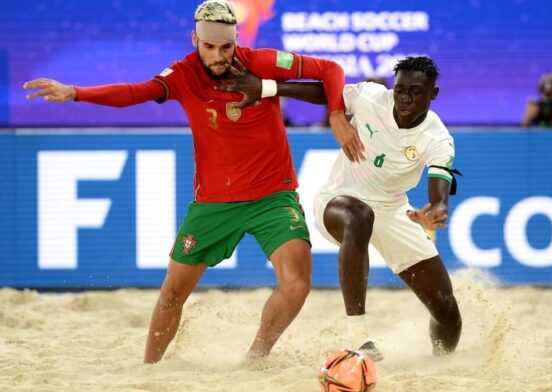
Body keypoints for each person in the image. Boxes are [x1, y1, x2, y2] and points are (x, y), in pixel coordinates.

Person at [23, 0, 365, 363]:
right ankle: (149, 369)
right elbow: (135, 93)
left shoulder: (261, 61)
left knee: (297, 284)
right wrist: (76, 92)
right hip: (214, 204)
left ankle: (255, 358)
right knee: (172, 293)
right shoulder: (183, 75)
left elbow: (330, 69)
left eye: (226, 47)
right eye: (209, 47)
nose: (218, 56)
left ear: (236, 42)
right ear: (195, 40)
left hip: (274, 197)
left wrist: (336, 115)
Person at [226, 56, 464, 357]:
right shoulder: (370, 97)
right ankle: (358, 335)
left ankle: (442, 364)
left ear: (434, 94)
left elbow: (439, 185)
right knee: (359, 215)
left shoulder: (437, 137)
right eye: (400, 89)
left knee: (447, 311)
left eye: (416, 92)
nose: (405, 98)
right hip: (338, 200)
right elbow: (324, 91)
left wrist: (437, 207)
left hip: (392, 211)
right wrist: (267, 87)